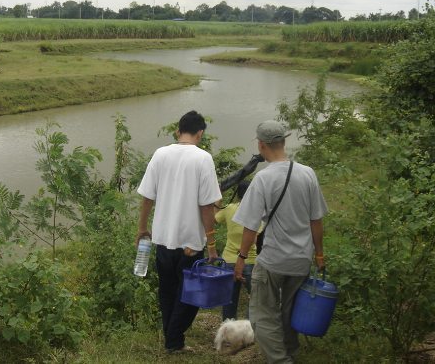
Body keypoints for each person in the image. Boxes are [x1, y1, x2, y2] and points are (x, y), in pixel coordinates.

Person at [232, 120, 327, 363]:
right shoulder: (308, 173)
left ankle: (280, 360)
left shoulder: (263, 179)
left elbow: (251, 226)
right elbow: (316, 220)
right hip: (301, 260)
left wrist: (241, 259)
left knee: (262, 316)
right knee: (289, 313)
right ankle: (290, 353)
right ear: (283, 141)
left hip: (273, 260)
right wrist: (319, 255)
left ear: (261, 145)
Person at [136, 110, 222, 354]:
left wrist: (142, 228)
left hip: (162, 239)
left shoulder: (160, 154)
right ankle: (174, 339)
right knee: (191, 295)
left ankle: (173, 341)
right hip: (190, 243)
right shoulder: (203, 158)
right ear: (200, 133)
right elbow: (207, 206)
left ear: (178, 131)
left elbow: (147, 197)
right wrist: (212, 244)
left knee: (167, 291)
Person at [215, 180, 259, 320]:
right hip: (250, 260)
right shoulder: (257, 212)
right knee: (255, 299)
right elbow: (255, 238)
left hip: (228, 259)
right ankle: (247, 331)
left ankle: (228, 331)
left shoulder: (229, 209)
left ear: (238, 194)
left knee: (229, 299)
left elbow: (214, 218)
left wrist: (218, 198)